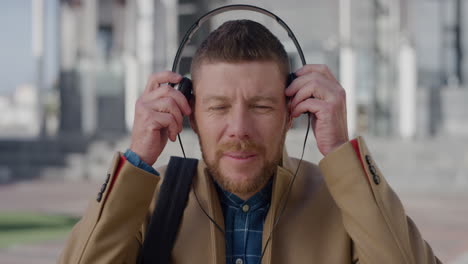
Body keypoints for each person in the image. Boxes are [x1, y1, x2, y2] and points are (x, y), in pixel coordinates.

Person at [59, 20, 440, 264]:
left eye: (260, 105)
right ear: (189, 114)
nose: (239, 128)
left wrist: (341, 153)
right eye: (218, 107)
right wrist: (137, 158)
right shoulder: (146, 204)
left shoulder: (349, 205)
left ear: (292, 112)